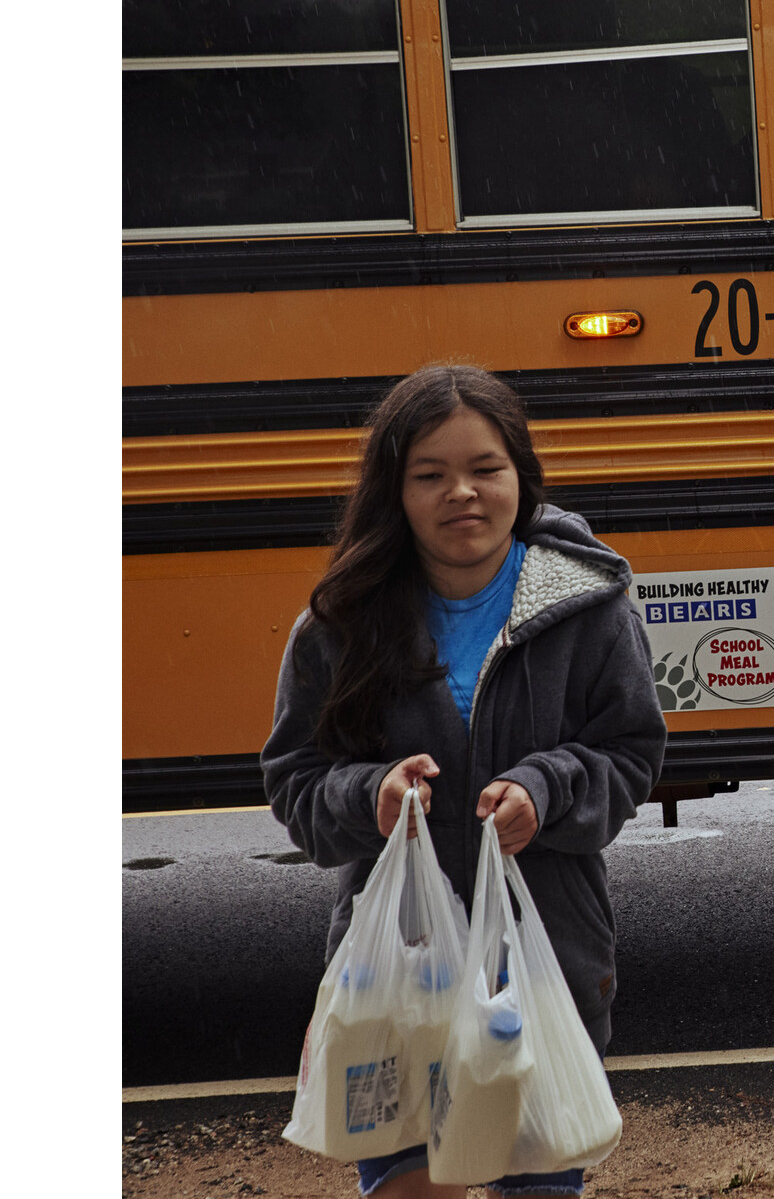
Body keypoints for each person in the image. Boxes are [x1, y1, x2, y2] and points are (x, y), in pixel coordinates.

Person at [263, 364, 666, 1199]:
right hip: (395, 984)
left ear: (521, 476)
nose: (463, 494)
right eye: (430, 475)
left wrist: (545, 790)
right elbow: (294, 778)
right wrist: (367, 796)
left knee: (540, 1185)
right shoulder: (340, 622)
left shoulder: (589, 608)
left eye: (486, 469)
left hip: (543, 958)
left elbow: (630, 755)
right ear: (395, 491)